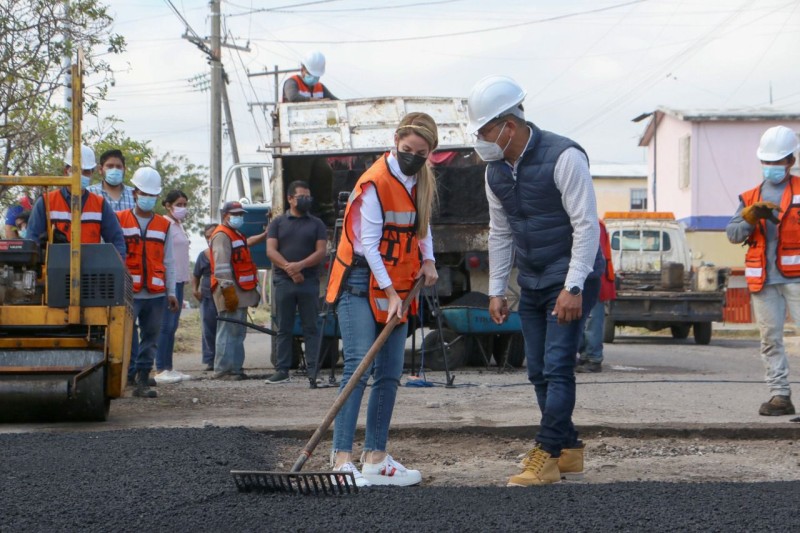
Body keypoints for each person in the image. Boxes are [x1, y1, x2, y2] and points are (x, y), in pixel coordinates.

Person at [467, 75, 604, 487]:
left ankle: (545, 454)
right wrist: (495, 289)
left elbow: (586, 227)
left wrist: (574, 286)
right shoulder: (495, 171)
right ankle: (569, 450)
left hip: (572, 276)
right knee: (538, 370)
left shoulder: (565, 157)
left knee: (558, 367)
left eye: (485, 130)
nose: (480, 140)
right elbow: (501, 231)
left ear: (508, 126)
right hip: (533, 278)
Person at [324, 112, 440, 487]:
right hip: (359, 280)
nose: (412, 157)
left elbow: (422, 229)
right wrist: (390, 293)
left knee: (389, 372)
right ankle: (341, 459)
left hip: (399, 283)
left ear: (429, 153)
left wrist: (430, 261)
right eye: (407, 149)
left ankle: (375, 458)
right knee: (358, 365)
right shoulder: (375, 181)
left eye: (421, 152)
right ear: (395, 140)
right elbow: (369, 246)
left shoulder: (420, 180)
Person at [726, 125, 800, 417]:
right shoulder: (750, 197)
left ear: (790, 161)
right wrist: (750, 218)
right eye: (766, 162)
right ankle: (780, 395)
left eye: (776, 161)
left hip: (796, 278)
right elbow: (732, 234)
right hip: (765, 280)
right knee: (770, 339)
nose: (770, 167)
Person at [117, 166, 179, 398]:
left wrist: (171, 292)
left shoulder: (164, 226)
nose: (148, 198)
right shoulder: (119, 220)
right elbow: (112, 255)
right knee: (127, 338)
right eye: (145, 193)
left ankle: (142, 376)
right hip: (128, 292)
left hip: (155, 293)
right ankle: (128, 375)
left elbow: (169, 261)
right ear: (135, 193)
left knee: (150, 337)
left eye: (152, 195)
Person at [265, 180, 327, 386]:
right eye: (301, 197)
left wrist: (299, 266)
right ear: (290, 199)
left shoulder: (316, 224)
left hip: (309, 282)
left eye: (308, 196)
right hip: (284, 282)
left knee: (312, 327)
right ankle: (281, 370)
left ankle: (313, 370)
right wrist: (290, 270)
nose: (305, 200)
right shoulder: (277, 223)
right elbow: (271, 251)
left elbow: (321, 252)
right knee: (283, 327)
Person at [26, 145, 126, 259]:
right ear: (66, 171)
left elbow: (117, 241)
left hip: (91, 272)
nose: (81, 175)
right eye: (76, 170)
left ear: (92, 173)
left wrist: (118, 267)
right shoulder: (46, 202)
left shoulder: (100, 205)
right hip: (54, 271)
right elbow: (31, 241)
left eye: (86, 172)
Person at [282, 50, 337, 225]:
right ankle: (301, 212)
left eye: (317, 76)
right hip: (296, 144)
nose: (314, 79)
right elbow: (293, 97)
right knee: (301, 178)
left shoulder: (320, 88)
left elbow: (335, 101)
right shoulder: (292, 82)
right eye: (311, 74)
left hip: (316, 143)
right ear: (303, 69)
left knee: (324, 171)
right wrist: (315, 103)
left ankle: (325, 211)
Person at [210, 201, 260, 380]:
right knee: (228, 331)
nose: (239, 217)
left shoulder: (236, 234)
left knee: (237, 332)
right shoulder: (222, 235)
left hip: (240, 291)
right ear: (225, 215)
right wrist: (227, 291)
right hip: (229, 291)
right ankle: (223, 370)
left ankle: (235, 369)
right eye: (235, 214)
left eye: (241, 214)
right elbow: (221, 266)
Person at [154, 190, 192, 384]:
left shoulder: (178, 225)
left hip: (179, 279)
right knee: (166, 325)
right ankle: (160, 367)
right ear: (168, 205)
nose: (182, 208)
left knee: (173, 325)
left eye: (185, 204)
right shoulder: (164, 224)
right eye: (179, 204)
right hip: (169, 280)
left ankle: (169, 366)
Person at [577, 220, 616, 373]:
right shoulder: (594, 223)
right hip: (592, 279)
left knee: (592, 321)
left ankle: (593, 358)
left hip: (593, 280)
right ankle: (587, 355)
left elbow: (590, 254)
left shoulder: (592, 224)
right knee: (587, 321)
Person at [193, 223, 219, 372]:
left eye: (213, 235)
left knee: (225, 328)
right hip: (207, 295)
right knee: (208, 328)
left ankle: (224, 359)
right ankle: (210, 360)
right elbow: (196, 275)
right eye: (208, 236)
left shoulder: (226, 252)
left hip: (223, 294)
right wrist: (195, 290)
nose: (211, 239)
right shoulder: (202, 256)